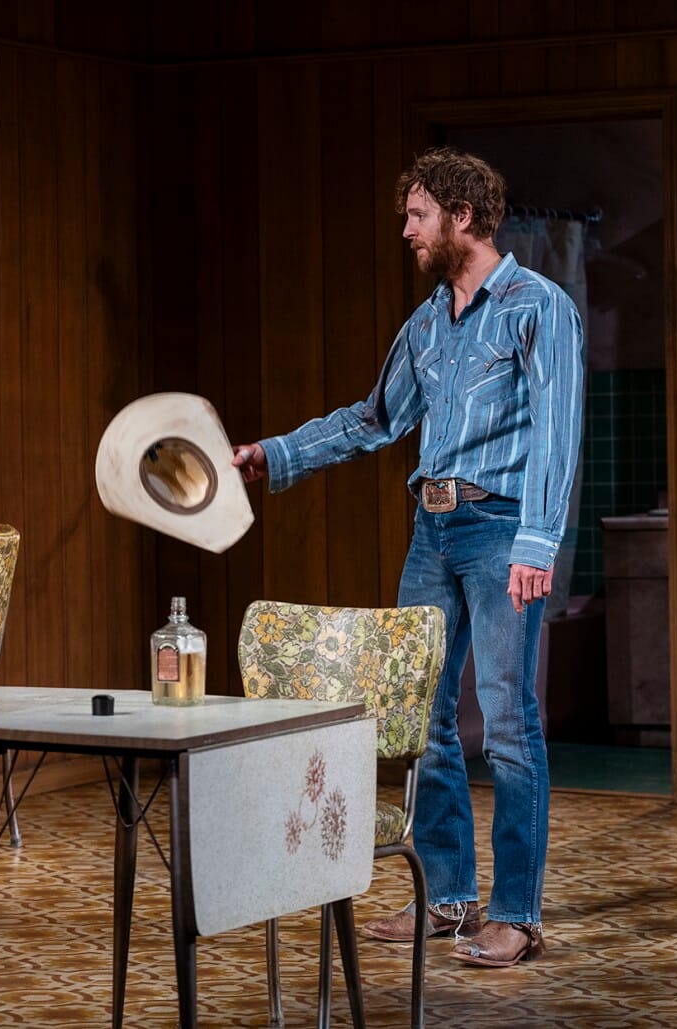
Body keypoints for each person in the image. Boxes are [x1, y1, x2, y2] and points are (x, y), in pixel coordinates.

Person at [233, 147, 584, 968]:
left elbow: (557, 434)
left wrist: (537, 543)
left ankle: (516, 913)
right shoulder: (428, 322)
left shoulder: (540, 307)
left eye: (418, 215)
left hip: (501, 531)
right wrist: (274, 454)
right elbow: (371, 418)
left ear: (463, 216)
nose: (407, 231)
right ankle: (448, 898)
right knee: (421, 718)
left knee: (507, 722)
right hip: (432, 531)